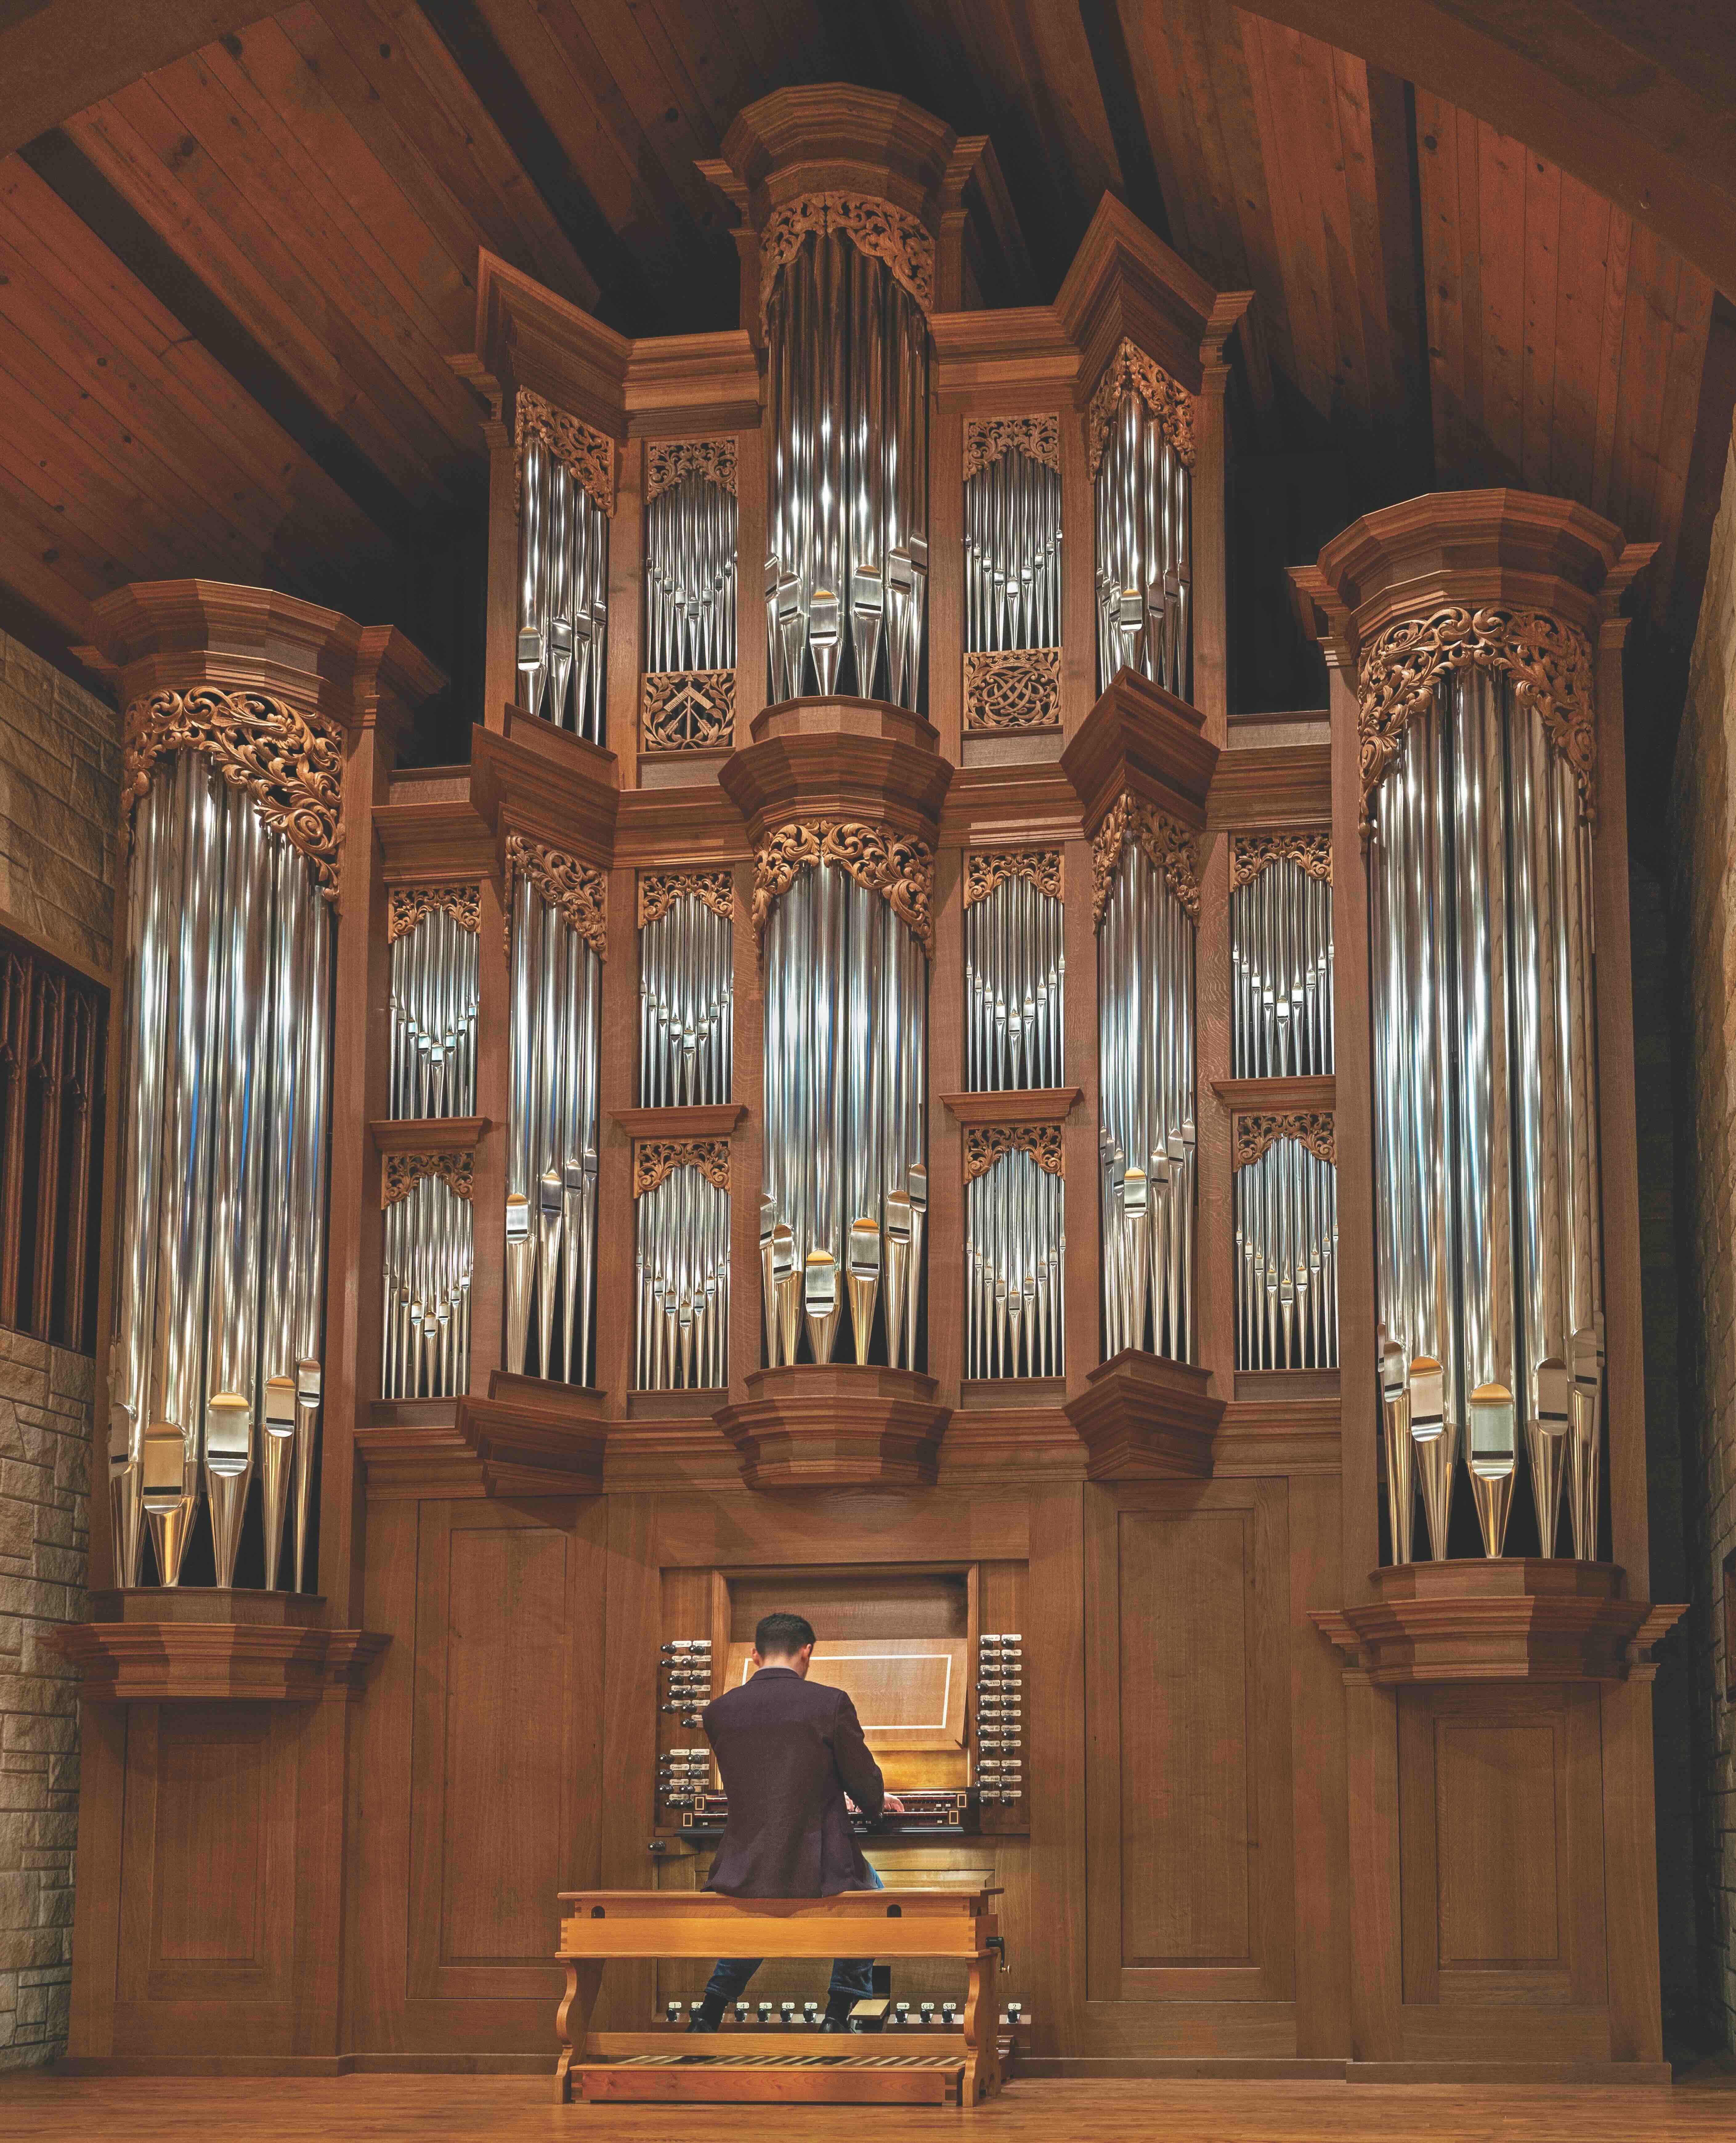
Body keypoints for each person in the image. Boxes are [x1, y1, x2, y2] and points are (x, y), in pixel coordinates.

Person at [689, 1611, 904, 2033]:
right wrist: (871, 1803)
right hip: (817, 1867)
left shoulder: (718, 1711)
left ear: (754, 1655)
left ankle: (709, 2012)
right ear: (807, 1650)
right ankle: (837, 2014)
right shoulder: (830, 1702)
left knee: (758, 1911)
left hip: (745, 1865)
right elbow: (863, 1780)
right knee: (872, 1896)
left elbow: (770, 1776)